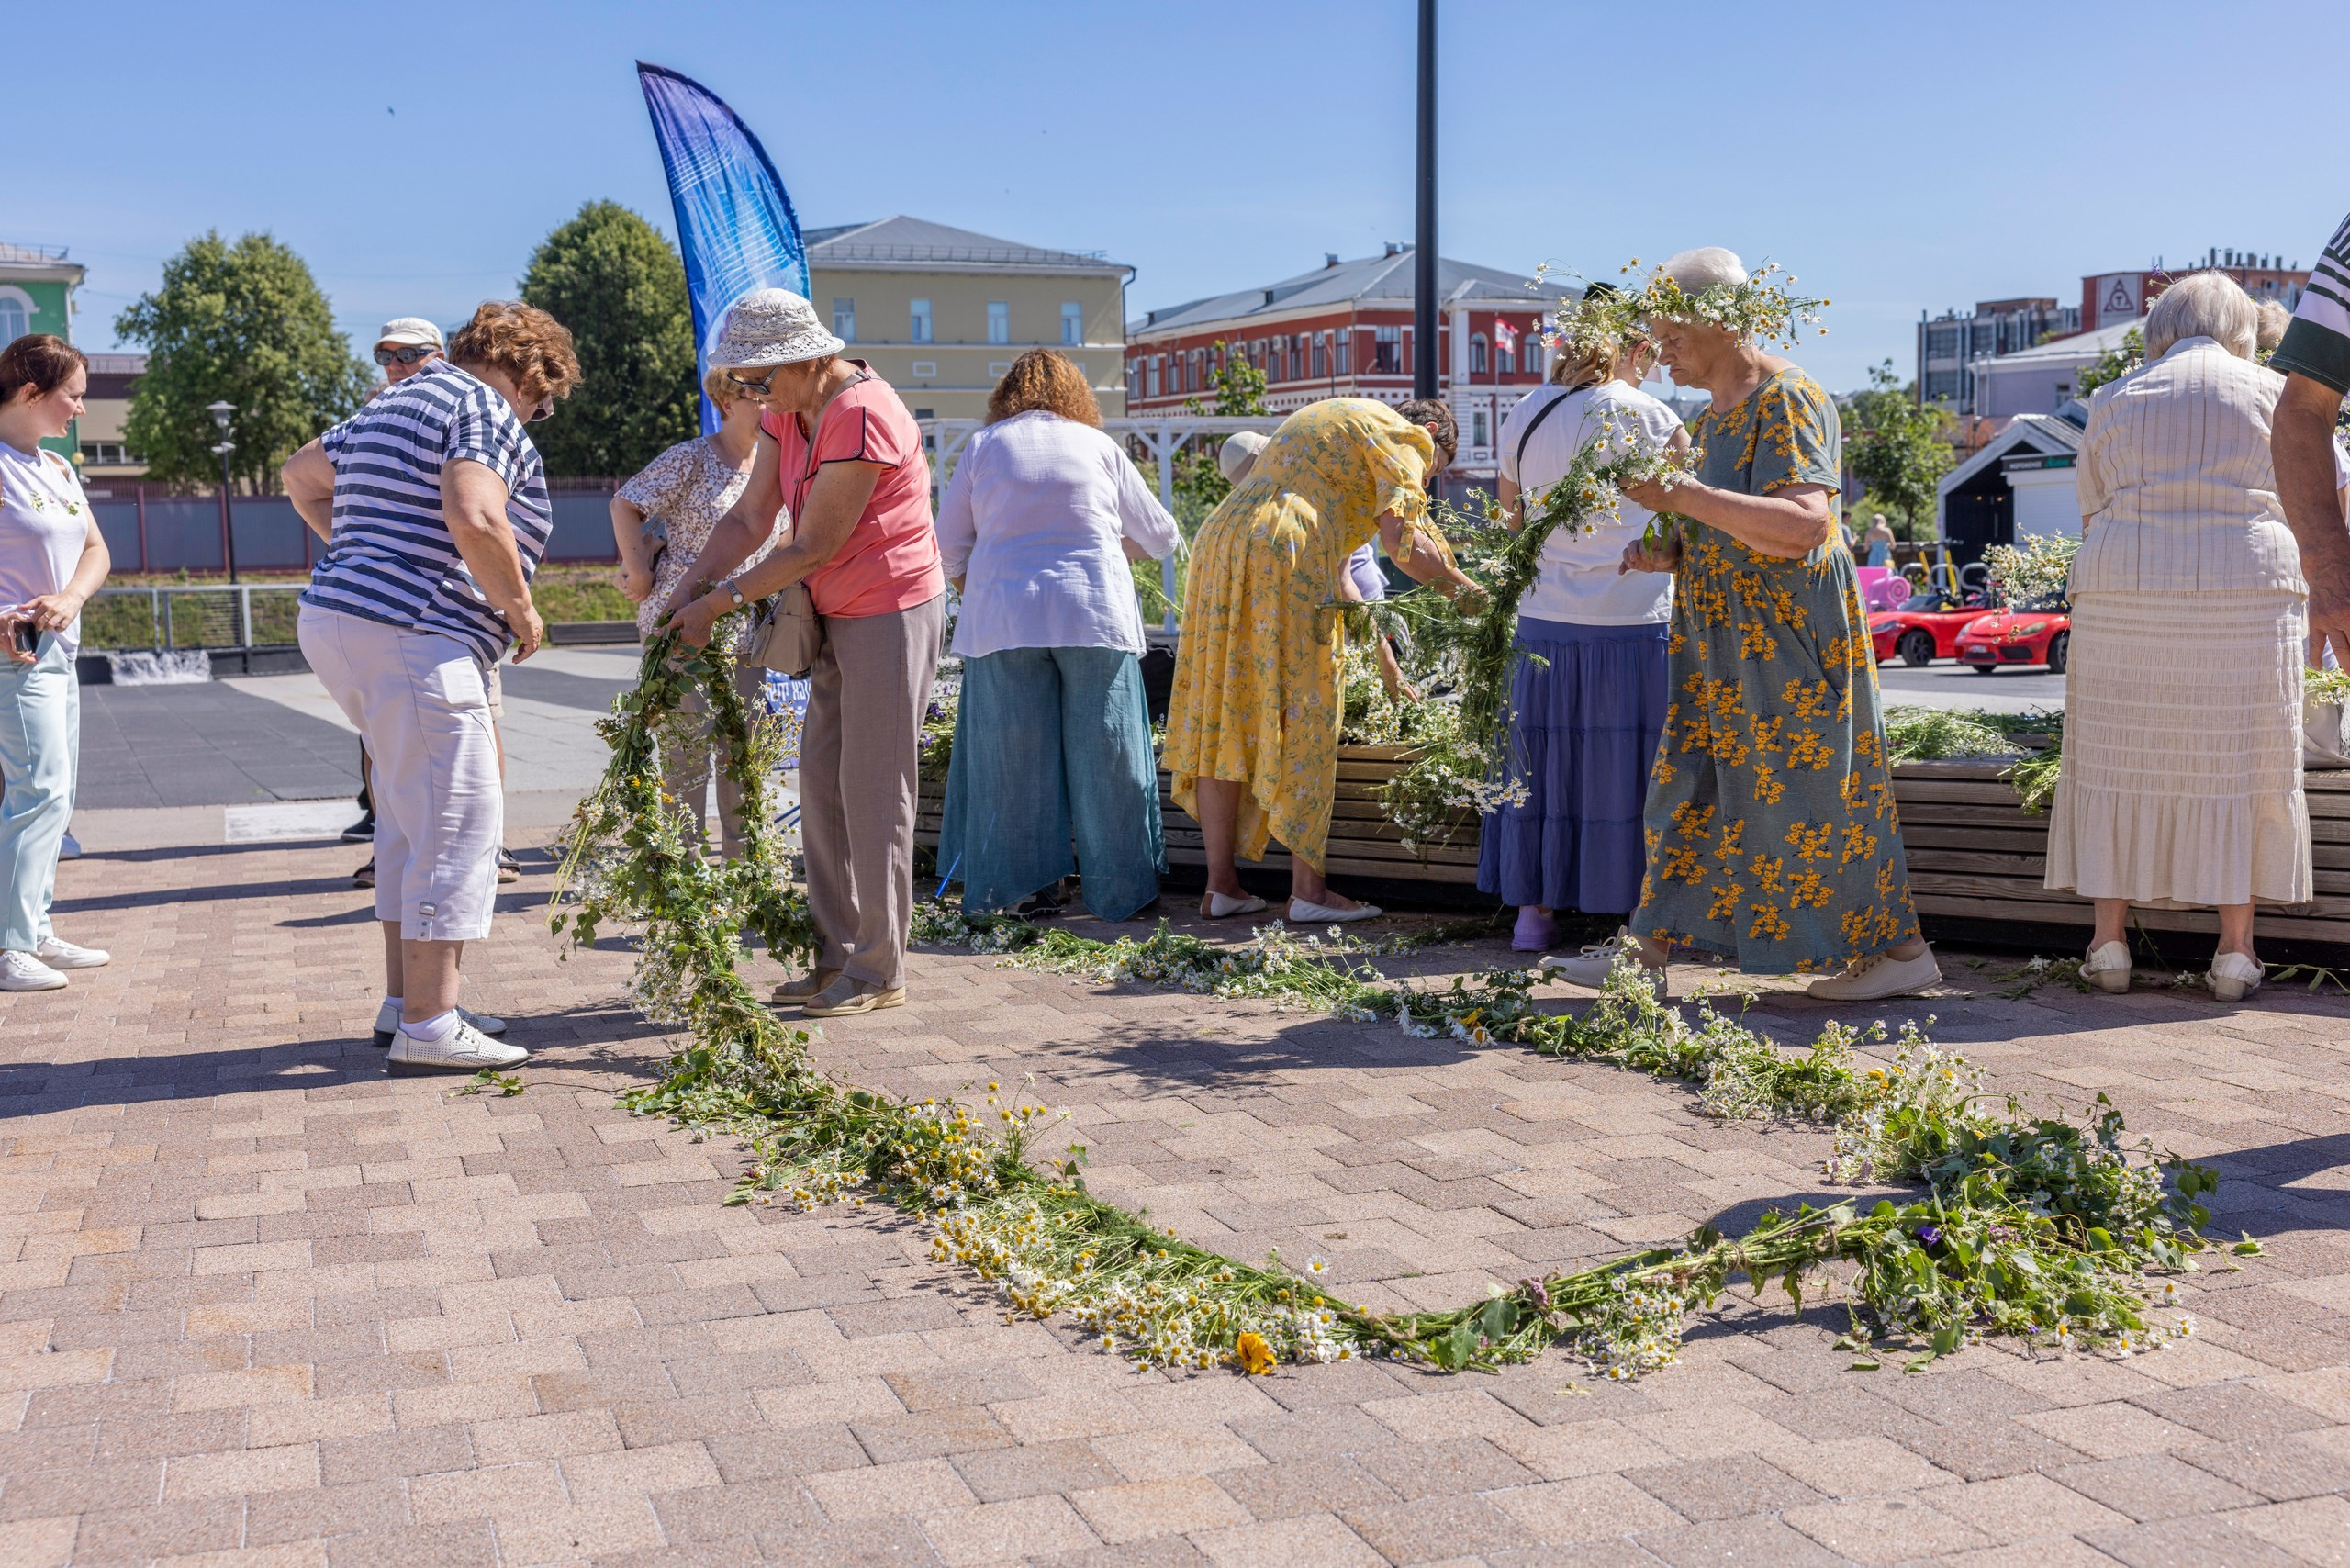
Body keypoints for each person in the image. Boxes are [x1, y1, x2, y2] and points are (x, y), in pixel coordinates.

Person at [1550, 247, 1937, 1000]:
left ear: (1723, 324)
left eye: (1671, 338)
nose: (1659, 356)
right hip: (1720, 634)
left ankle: (1902, 953)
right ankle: (1645, 954)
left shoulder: (1788, 399)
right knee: (1685, 787)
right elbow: (1720, 523)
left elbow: (1801, 527)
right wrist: (1664, 551)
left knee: (1820, 795)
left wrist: (1684, 497)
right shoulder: (1708, 418)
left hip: (1791, 635)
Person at [281, 300, 578, 1073]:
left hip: (344, 621)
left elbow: (299, 477)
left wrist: (362, 550)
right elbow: (476, 513)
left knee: (408, 823)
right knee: (458, 818)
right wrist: (520, 609)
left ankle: (401, 1004)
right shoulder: (481, 405)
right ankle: (430, 1021)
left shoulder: (401, 396)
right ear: (528, 372)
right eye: (542, 404)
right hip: (417, 632)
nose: (537, 417)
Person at [2050, 274, 2342, 1002]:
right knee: (2240, 759)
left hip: (2126, 588)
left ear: (2162, 326)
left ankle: (2108, 943)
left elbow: (2092, 508)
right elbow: (2327, 494)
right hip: (2248, 587)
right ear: (2243, 325)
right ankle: (2235, 953)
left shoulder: (2114, 398)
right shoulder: (2277, 395)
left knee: (2118, 755)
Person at [666, 289, 946, 1019]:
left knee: (875, 789)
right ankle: (836, 954)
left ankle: (880, 969)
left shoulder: (862, 412)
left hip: (890, 609)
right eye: (744, 384)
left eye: (759, 379)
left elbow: (813, 542)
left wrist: (718, 602)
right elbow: (752, 514)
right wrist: (685, 587)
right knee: (820, 784)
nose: (752, 397)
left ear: (806, 357)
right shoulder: (790, 413)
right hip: (831, 609)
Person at [1164, 397, 1483, 924]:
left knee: (1227, 705)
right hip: (1285, 546)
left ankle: (1221, 887)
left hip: (1222, 542)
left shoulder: (1342, 430)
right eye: (1436, 472)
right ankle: (1308, 891)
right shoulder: (1408, 437)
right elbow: (1403, 544)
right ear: (1430, 432)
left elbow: (1342, 579)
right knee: (1309, 710)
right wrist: (1474, 598)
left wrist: (1385, 660)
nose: (1427, 483)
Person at [934, 348, 1178, 921]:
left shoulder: (983, 447)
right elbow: (1163, 535)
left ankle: (1023, 891)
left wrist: (986, 590)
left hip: (1003, 618)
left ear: (1005, 396)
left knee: (1012, 761)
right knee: (1109, 756)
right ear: (1076, 394)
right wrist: (1110, 554)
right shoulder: (1097, 444)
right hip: (1094, 611)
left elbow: (946, 549)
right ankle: (1121, 891)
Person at [1481, 319, 1687, 952]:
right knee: (1630, 771)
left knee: (1542, 767)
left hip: (1545, 618)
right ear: (1630, 349)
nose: (1655, 361)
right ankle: (1639, 919)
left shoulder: (1525, 411)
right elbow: (1687, 523)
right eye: (1650, 349)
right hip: (1635, 616)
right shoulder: (1657, 416)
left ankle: (1533, 914)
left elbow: (1511, 519)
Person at [342, 318, 523, 890]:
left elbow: (482, 516)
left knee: (480, 726)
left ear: (440, 356)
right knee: (384, 741)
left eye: (408, 354)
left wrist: (506, 594)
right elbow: (300, 477)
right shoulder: (379, 412)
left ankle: (486, 844)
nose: (395, 365)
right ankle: (395, 846)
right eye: (384, 356)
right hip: (396, 608)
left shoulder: (467, 409)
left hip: (456, 605)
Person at [610, 366, 774, 856]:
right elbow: (625, 504)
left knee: (742, 748)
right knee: (687, 746)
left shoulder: (775, 464)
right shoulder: (694, 457)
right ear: (727, 401)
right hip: (684, 620)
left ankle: (743, 866)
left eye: (771, 397)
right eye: (756, 398)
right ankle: (681, 866)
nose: (768, 407)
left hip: (750, 621)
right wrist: (636, 570)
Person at [0, 335, 112, 991]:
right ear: (29, 393)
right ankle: (11, 943)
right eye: (73, 395)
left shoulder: (58, 469)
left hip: (56, 652)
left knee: (55, 794)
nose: (81, 409)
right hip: (14, 654)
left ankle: (33, 929)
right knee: (36, 791)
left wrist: (71, 596)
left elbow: (95, 550)